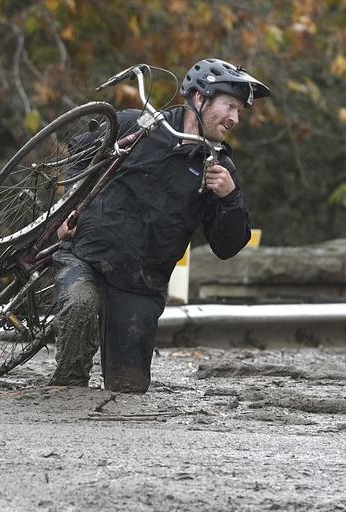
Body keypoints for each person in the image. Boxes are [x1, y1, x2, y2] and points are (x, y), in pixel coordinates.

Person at [49, 58, 271, 393]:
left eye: (239, 111)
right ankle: (66, 388)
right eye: (230, 106)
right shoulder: (136, 127)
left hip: (140, 286)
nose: (235, 119)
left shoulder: (219, 169)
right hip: (85, 257)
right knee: (81, 305)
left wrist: (230, 198)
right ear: (200, 98)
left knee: (128, 389)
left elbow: (226, 248)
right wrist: (68, 208)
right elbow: (77, 154)